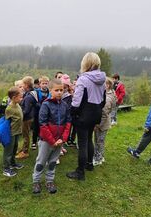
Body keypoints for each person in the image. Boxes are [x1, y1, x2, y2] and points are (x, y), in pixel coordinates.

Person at [66, 52, 106, 181]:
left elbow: (76, 101)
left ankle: (80, 172)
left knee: (82, 142)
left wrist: (72, 112)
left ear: (85, 63)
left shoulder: (83, 79)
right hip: (96, 113)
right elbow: (104, 99)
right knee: (89, 139)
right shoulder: (103, 79)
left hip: (83, 114)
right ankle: (89, 165)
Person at [32, 79, 71, 194]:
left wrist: (62, 139)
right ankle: (36, 181)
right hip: (46, 141)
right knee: (41, 161)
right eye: (56, 90)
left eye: (61, 90)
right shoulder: (46, 104)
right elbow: (42, 124)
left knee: (53, 161)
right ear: (51, 91)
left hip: (59, 141)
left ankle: (49, 180)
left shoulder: (64, 105)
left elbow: (68, 122)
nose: (59, 92)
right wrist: (51, 140)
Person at [93, 77, 116, 166]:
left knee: (98, 141)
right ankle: (101, 156)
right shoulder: (108, 94)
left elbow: (104, 113)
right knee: (100, 141)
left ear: (108, 85)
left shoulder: (107, 98)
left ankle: (97, 158)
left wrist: (98, 124)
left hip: (101, 124)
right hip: (104, 122)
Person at [2, 86, 24, 177]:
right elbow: (7, 121)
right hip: (11, 132)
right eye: (20, 97)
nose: (21, 98)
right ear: (14, 98)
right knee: (8, 150)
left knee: (14, 148)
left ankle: (13, 163)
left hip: (16, 131)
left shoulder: (17, 104)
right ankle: (6, 168)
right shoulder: (9, 108)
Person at [16, 76, 37, 159]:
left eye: (23, 84)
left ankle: (25, 152)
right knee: (26, 134)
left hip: (27, 118)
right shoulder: (31, 93)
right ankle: (23, 149)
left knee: (26, 135)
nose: (22, 86)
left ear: (26, 85)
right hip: (30, 117)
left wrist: (19, 114)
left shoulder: (28, 97)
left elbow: (26, 110)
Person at [31, 76, 50, 150]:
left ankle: (42, 139)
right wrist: (39, 105)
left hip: (46, 112)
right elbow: (34, 101)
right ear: (40, 84)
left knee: (44, 126)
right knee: (36, 127)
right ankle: (34, 142)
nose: (45, 85)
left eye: (46, 83)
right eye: (43, 83)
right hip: (37, 112)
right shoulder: (36, 92)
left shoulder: (49, 92)